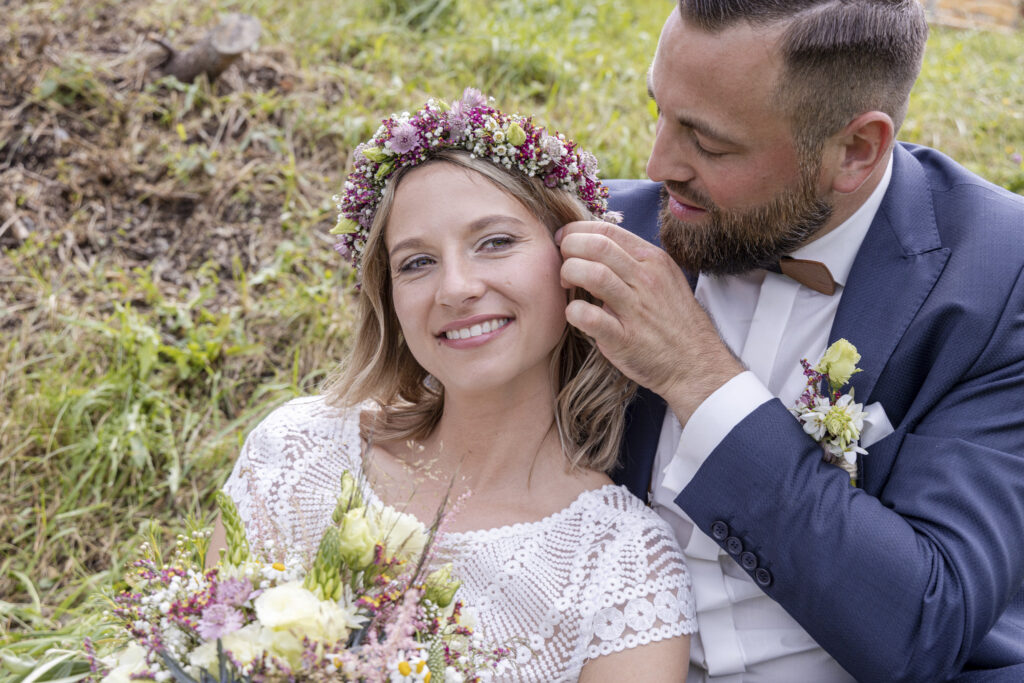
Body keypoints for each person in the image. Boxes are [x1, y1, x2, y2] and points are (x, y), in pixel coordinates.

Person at [557, 1, 1024, 681]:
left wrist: (701, 377)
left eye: (708, 143)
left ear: (855, 150)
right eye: (658, 110)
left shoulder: (997, 275)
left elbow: (926, 620)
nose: (658, 164)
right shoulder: (609, 234)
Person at [211, 89, 696, 681]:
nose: (456, 288)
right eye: (416, 262)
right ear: (389, 300)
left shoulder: (624, 564)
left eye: (494, 243)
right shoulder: (297, 453)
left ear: (571, 259)